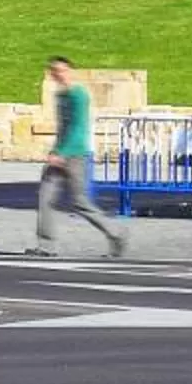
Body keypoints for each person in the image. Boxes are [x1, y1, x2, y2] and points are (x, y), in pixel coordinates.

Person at [34, 54, 128, 258]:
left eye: (62, 71)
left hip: (76, 154)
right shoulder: (60, 96)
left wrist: (63, 153)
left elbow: (78, 127)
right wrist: (55, 151)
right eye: (55, 71)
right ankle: (46, 246)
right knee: (45, 197)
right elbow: (63, 127)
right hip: (59, 153)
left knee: (80, 202)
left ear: (69, 72)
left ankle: (116, 233)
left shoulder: (79, 95)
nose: (59, 75)